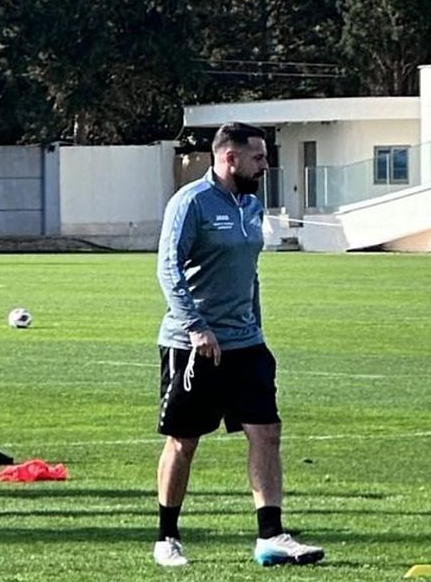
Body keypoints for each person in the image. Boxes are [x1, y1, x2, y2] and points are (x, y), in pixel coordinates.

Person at [153, 122, 323, 567]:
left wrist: (258, 329)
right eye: (259, 158)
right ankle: (166, 537)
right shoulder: (190, 203)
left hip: (246, 343)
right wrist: (195, 327)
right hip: (194, 345)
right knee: (183, 442)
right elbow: (168, 270)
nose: (265, 165)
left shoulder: (250, 205)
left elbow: (251, 273)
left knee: (266, 433)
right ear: (230, 157)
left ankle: (271, 536)